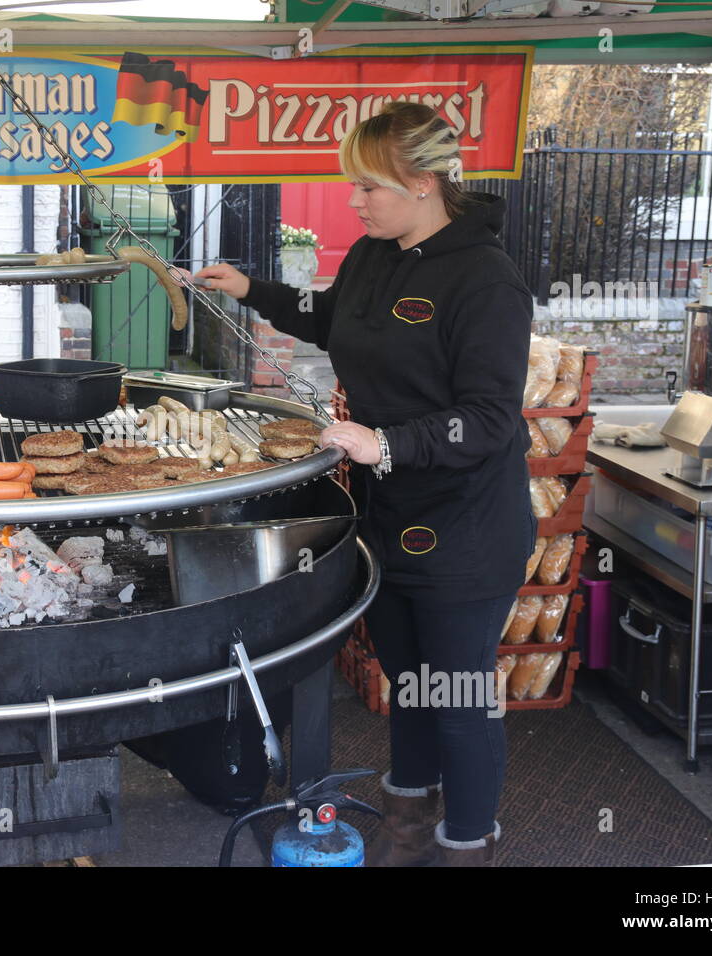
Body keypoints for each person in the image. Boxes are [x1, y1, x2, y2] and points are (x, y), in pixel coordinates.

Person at [191, 101, 536, 866]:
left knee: (458, 698)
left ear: (421, 183)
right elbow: (330, 317)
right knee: (409, 684)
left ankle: (466, 845)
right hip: (392, 518)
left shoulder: (487, 281)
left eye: (367, 188)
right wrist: (252, 289)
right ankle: (408, 822)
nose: (353, 201)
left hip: (468, 530)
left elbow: (488, 419)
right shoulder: (377, 254)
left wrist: (385, 442)